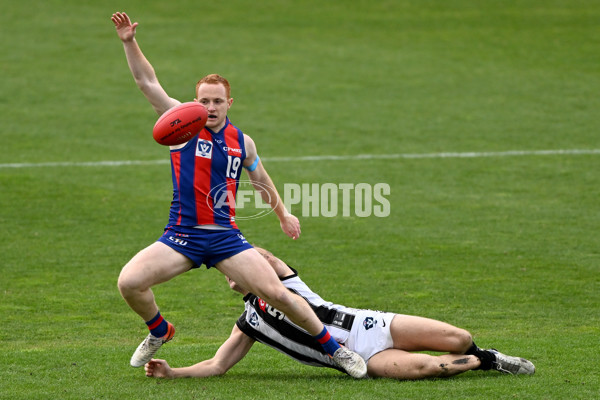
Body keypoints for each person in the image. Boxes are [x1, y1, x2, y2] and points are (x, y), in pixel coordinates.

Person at [110, 11, 366, 378]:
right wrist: (129, 42)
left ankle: (335, 350)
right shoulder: (182, 126)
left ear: (230, 103)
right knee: (129, 282)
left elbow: (261, 179)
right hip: (181, 236)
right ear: (194, 103)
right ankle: (159, 330)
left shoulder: (242, 142)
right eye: (204, 100)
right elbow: (146, 82)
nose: (210, 108)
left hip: (226, 239)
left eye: (217, 101)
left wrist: (282, 215)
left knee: (278, 294)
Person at [143, 247, 535, 380]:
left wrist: (225, 242)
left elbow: (259, 254)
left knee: (458, 338)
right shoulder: (250, 323)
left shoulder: (283, 281)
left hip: (372, 323)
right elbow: (216, 365)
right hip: (366, 358)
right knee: (430, 369)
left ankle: (476, 353)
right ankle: (489, 361)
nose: (229, 273)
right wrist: (172, 372)